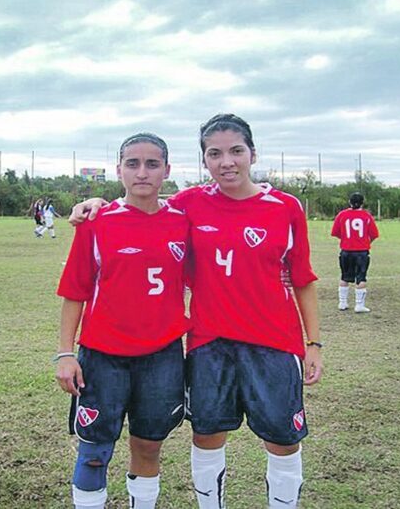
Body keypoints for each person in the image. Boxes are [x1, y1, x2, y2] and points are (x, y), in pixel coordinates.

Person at [70, 114, 323, 508]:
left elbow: (303, 277)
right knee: (206, 435)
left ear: (252, 154)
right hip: (208, 343)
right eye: (215, 153)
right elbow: (143, 206)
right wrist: (95, 204)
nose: (227, 162)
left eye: (236, 151)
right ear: (204, 161)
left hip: (274, 342)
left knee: (283, 439)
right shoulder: (190, 204)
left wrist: (315, 342)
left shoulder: (285, 208)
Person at [54, 133, 190, 509]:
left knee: (148, 447)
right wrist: (65, 354)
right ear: (119, 170)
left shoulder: (183, 222)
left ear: (167, 170)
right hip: (102, 356)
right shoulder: (96, 222)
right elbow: (75, 292)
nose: (142, 172)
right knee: (95, 451)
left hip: (162, 356)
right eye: (132, 163)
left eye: (152, 164)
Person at [330, 192, 379, 312]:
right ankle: (359, 305)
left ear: (349, 202)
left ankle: (342, 303)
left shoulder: (342, 215)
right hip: (361, 252)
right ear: (362, 203)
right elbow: (374, 234)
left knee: (344, 277)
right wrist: (366, 242)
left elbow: (335, 232)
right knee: (361, 278)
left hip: (346, 251)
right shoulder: (366, 216)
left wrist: (347, 240)